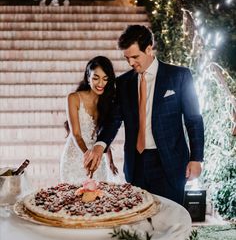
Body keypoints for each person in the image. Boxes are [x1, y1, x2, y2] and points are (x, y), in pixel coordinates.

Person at [84, 25, 204, 205]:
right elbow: (114, 119)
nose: (131, 63)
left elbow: (193, 120)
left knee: (170, 222)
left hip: (169, 164)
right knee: (139, 223)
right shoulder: (123, 83)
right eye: (127, 58)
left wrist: (196, 159)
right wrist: (100, 145)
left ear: (149, 49)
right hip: (136, 164)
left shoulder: (179, 76)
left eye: (135, 57)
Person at [60, 56, 118, 185]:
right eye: (96, 78)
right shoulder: (73, 98)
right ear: (88, 78)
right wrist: (87, 155)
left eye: (105, 79)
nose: (101, 83)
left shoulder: (109, 102)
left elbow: (104, 134)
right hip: (75, 157)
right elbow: (76, 134)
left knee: (98, 199)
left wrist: (110, 161)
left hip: (98, 159)